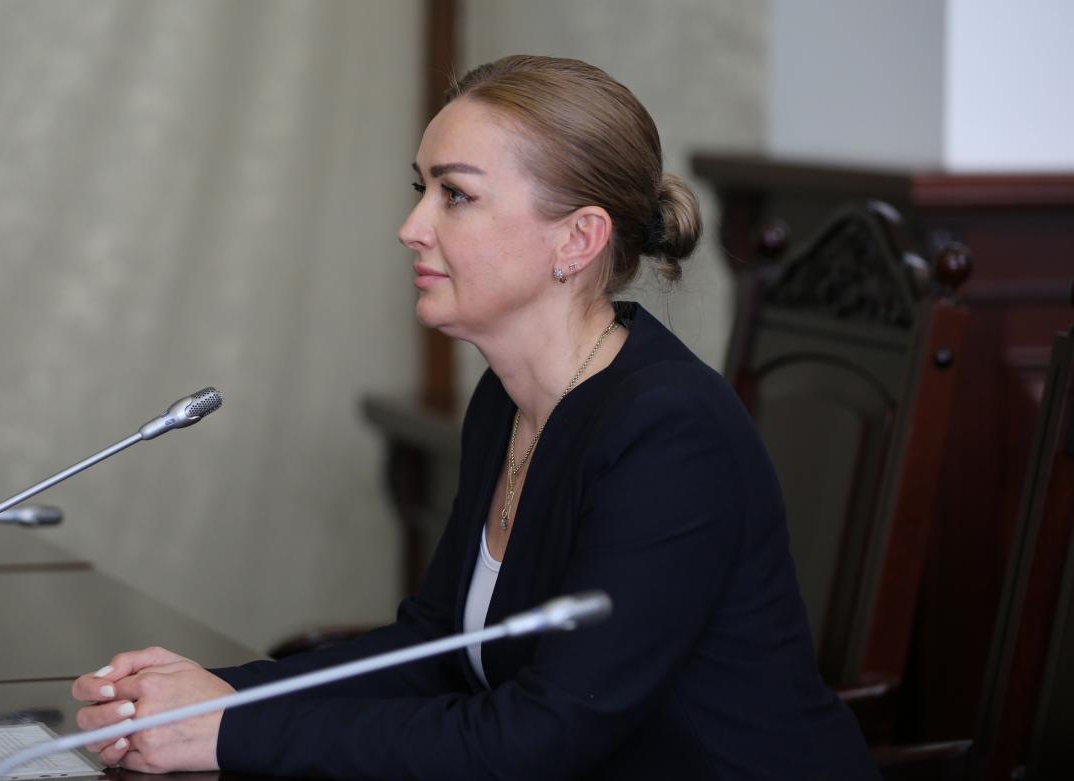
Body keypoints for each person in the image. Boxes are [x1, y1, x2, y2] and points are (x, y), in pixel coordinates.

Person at [72, 55, 878, 779]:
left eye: (455, 194)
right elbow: (436, 650)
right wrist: (216, 694)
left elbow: (543, 737)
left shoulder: (671, 433)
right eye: (420, 189)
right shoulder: (506, 397)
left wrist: (230, 733)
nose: (412, 227)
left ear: (578, 239)